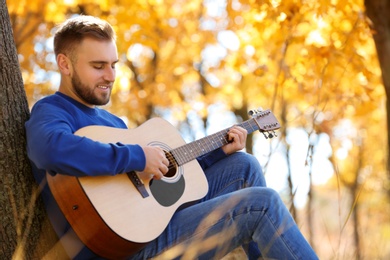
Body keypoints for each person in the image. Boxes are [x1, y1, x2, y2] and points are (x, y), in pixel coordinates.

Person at [25, 15, 318, 260]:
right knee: (262, 203)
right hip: (121, 248)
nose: (111, 76)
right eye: (98, 66)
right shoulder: (53, 110)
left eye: (114, 65)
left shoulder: (112, 122)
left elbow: (163, 189)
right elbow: (49, 149)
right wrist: (137, 156)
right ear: (65, 64)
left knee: (244, 166)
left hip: (148, 227)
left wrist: (218, 151)